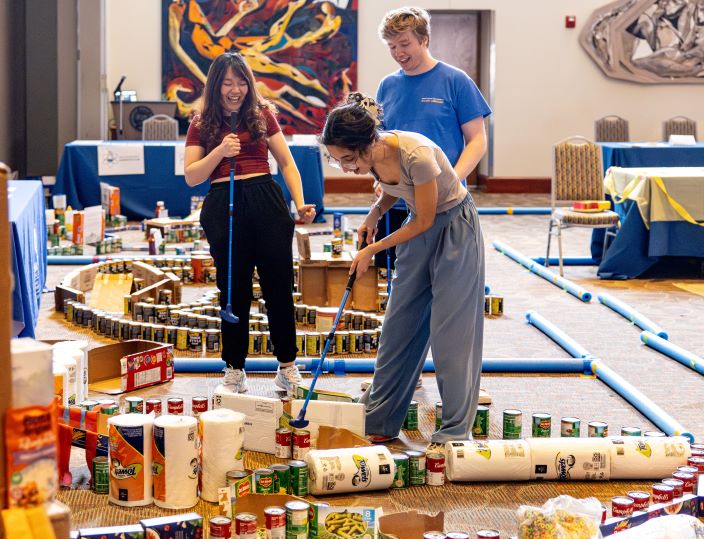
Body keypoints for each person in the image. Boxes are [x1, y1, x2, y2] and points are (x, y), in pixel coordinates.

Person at [320, 93, 484, 445]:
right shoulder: (376, 158)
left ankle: (455, 431)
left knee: (450, 335)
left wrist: (373, 250)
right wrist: (375, 212)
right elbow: (395, 190)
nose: (347, 168)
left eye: (349, 159)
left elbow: (425, 218)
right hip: (418, 227)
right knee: (399, 325)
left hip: (454, 227)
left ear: (368, 143)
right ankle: (380, 418)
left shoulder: (416, 153)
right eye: (338, 162)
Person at [184, 52, 316, 395]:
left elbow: (286, 162)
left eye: (241, 82)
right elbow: (191, 176)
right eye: (227, 82)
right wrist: (219, 153)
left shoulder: (262, 115)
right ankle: (234, 369)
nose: (235, 89)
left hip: (266, 200)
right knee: (233, 291)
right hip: (222, 204)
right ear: (216, 85)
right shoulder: (201, 122)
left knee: (278, 288)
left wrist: (300, 204)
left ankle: (287, 366)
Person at [373, 6, 491, 266]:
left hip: (444, 200)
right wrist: (380, 178)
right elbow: (380, 143)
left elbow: (478, 140)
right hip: (399, 200)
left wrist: (453, 177)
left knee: (443, 274)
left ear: (424, 39)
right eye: (392, 47)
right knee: (395, 277)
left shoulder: (456, 80)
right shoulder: (387, 86)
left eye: (404, 44)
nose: (398, 53)